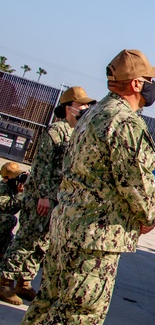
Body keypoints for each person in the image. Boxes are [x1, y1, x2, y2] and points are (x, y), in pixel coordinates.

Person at [0, 49, 155, 325]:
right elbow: (136, 183)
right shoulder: (125, 123)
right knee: (78, 317)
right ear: (138, 83)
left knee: (48, 304)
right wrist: (147, 215)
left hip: (67, 227)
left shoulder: (92, 114)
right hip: (96, 238)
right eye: (151, 79)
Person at [0, 86, 95, 306]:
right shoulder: (57, 131)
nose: (85, 108)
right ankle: (5, 281)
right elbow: (41, 165)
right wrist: (42, 195)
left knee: (43, 243)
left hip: (58, 198)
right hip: (41, 196)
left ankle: (24, 282)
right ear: (68, 107)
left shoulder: (77, 132)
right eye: (81, 104)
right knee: (27, 238)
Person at [0, 162, 26, 260]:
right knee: (9, 219)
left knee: (9, 235)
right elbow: (9, 207)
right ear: (6, 178)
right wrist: (19, 194)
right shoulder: (2, 187)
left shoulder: (12, 187)